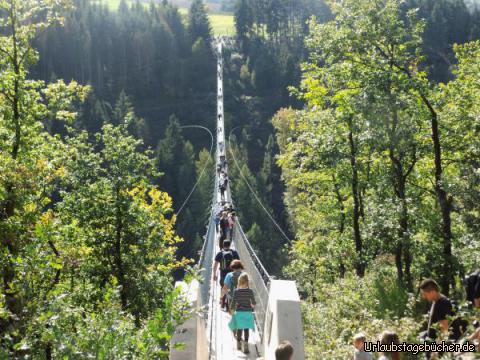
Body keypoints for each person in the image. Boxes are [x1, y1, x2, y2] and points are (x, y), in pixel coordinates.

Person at [228, 273, 256, 354]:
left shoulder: (236, 292)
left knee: (239, 329)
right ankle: (246, 345)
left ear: (239, 282)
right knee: (246, 329)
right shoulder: (250, 291)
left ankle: (239, 344)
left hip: (239, 312)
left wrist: (232, 310)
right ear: (247, 282)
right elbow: (253, 303)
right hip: (247, 312)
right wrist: (252, 305)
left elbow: (233, 303)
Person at [213, 240, 239, 310]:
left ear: (223, 245)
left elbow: (215, 265)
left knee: (223, 287)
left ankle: (222, 302)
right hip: (232, 274)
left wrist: (214, 275)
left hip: (223, 274)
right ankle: (229, 305)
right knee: (231, 288)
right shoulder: (234, 253)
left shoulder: (220, 254)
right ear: (230, 245)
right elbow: (238, 263)